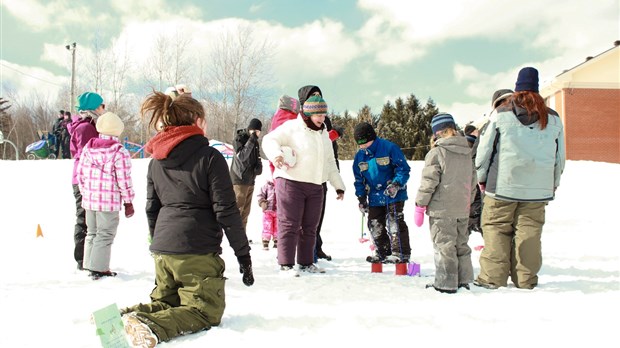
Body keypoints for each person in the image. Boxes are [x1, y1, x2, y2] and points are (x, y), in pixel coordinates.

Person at [120, 91, 254, 347]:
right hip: (196, 251)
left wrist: (158, 245)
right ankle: (149, 326)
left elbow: (152, 208)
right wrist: (243, 256)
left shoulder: (156, 161)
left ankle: (123, 318)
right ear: (196, 120)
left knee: (168, 301)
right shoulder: (210, 157)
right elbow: (226, 211)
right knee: (205, 311)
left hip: (163, 250)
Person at [474, 67, 565, 290]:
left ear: (517, 88)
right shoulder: (553, 118)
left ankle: (492, 278)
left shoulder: (501, 113)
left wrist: (481, 178)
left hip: (501, 187)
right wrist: (552, 183)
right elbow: (559, 157)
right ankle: (525, 279)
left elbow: (484, 152)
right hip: (538, 190)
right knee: (530, 233)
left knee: (496, 229)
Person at [261, 94, 345, 275]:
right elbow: (269, 140)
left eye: (324, 115)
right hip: (291, 183)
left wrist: (338, 185)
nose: (322, 119)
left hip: (315, 185)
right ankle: (286, 264)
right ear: (308, 114)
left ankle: (306, 263)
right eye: (319, 116)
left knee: (310, 227)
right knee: (289, 224)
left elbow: (330, 162)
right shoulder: (292, 127)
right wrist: (276, 155)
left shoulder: (323, 135)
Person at [413, 113, 476, 293]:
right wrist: (467, 203)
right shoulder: (467, 152)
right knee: (461, 245)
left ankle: (445, 283)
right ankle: (464, 280)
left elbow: (428, 182)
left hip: (442, 210)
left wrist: (420, 204)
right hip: (462, 209)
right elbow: (472, 183)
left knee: (444, 246)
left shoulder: (437, 153)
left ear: (437, 133)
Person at [76, 111, 135, 280]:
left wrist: (85, 193)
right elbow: (124, 179)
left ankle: (89, 264)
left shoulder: (88, 148)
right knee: (105, 234)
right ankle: (99, 268)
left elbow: (81, 174)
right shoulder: (119, 152)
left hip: (90, 200)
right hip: (108, 202)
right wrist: (128, 201)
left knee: (92, 232)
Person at [353, 122, 411, 264]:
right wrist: (361, 198)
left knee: (394, 222)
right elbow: (359, 179)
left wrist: (396, 184)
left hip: (393, 194)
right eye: (359, 144)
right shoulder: (360, 157)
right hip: (374, 196)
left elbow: (403, 169)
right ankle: (383, 251)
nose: (362, 146)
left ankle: (400, 253)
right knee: (374, 223)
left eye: (365, 143)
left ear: (372, 138)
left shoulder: (389, 148)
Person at [297, 85, 341, 262]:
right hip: (305, 174)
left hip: (324, 172)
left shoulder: (324, 119)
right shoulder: (298, 120)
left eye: (318, 95)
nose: (316, 98)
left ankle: (316, 246)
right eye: (312, 95)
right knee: (304, 218)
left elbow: (328, 147)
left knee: (318, 214)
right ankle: (306, 252)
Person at [67, 92, 103, 270]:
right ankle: (82, 259)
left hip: (86, 176)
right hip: (84, 178)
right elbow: (86, 154)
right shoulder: (86, 128)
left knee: (90, 218)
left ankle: (89, 258)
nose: (104, 109)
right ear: (94, 108)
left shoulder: (89, 125)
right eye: (102, 106)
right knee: (85, 218)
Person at [230, 118, 263, 233]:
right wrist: (252, 140)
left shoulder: (255, 142)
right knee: (238, 209)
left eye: (258, 132)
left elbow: (258, 156)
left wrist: (259, 166)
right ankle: (234, 234)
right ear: (250, 129)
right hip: (239, 179)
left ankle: (241, 234)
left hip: (250, 180)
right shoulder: (240, 138)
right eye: (255, 132)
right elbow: (242, 156)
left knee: (246, 212)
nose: (257, 134)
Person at [257, 179, 277, 250]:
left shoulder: (281, 185)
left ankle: (276, 241)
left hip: (279, 211)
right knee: (267, 226)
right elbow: (260, 195)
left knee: (277, 226)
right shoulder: (267, 186)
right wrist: (262, 202)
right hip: (268, 210)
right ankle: (265, 241)